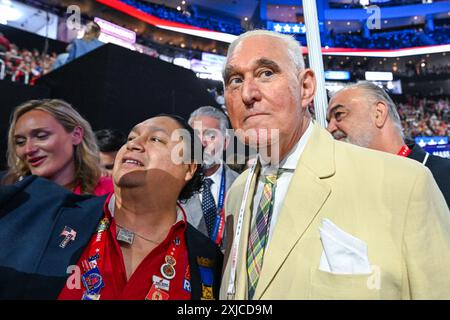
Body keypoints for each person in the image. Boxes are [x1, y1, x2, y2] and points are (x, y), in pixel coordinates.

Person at [219, 30, 450, 300]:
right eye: (235, 80)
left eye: (266, 73)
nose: (247, 93)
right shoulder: (237, 192)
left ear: (305, 88)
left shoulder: (405, 183)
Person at [0, 115, 223, 300]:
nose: (133, 144)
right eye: (131, 137)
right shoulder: (43, 209)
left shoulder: (207, 259)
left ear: (189, 168)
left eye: (156, 139)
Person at [326, 82, 450, 207]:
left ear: (378, 113)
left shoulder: (444, 174)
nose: (329, 128)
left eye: (339, 114)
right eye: (328, 121)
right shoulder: (346, 187)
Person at [2, 99, 113, 196]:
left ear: (76, 135)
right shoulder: (9, 194)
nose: (28, 149)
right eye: (20, 142)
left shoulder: (111, 194)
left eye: (41, 136)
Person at [183, 106, 239, 252]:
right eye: (195, 136)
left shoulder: (242, 184)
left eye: (211, 136)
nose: (202, 143)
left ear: (226, 142)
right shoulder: (174, 185)